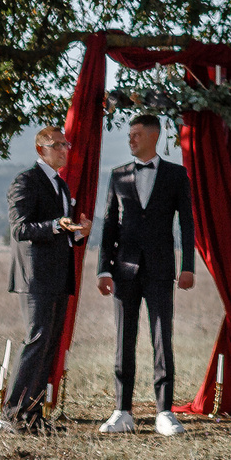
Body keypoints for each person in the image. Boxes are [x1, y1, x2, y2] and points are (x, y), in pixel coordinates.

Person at [93, 113, 195, 436]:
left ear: (153, 136)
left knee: (162, 338)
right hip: (123, 270)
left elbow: (187, 223)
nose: (131, 140)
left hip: (162, 270)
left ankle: (165, 412)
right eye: (129, 135)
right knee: (124, 340)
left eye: (136, 134)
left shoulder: (176, 175)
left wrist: (188, 266)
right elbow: (109, 224)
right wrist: (103, 269)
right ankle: (122, 411)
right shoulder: (118, 174)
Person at [0, 125, 88, 432]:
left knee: (49, 345)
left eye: (66, 144)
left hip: (59, 277)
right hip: (35, 277)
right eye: (57, 145)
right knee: (36, 341)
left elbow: (62, 232)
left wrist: (78, 233)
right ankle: (11, 414)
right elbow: (20, 229)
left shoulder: (61, 186)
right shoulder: (26, 181)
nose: (64, 150)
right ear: (41, 150)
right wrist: (55, 225)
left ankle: (33, 416)